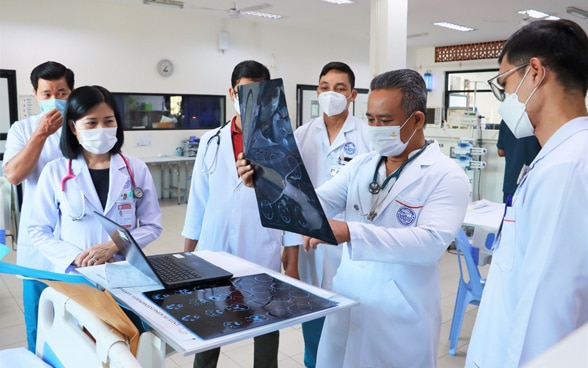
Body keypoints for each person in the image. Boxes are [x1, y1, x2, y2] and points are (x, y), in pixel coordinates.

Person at [239, 69, 470, 367]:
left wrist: (352, 232)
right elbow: (316, 202)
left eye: (385, 121)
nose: (375, 128)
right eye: (371, 119)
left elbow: (430, 243)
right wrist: (265, 182)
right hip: (348, 296)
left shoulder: (446, 175)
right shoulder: (362, 165)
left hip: (399, 313)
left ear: (416, 120)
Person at [466, 19, 588, 368]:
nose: (506, 99)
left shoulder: (566, 169)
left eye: (505, 83)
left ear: (534, 72)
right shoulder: (561, 155)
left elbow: (546, 311)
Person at [182, 60, 299, 368]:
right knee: (210, 323)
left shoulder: (282, 144)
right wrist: (187, 257)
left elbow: (291, 204)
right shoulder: (211, 140)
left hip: (261, 245)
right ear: (231, 92)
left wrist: (292, 258)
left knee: (266, 322)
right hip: (213, 248)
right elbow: (198, 200)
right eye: (242, 92)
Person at [27, 85, 163, 347]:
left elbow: (152, 225)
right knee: (81, 348)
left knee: (123, 345)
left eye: (108, 121)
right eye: (91, 122)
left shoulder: (135, 168)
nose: (101, 128)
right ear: (74, 127)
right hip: (76, 278)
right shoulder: (56, 172)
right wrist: (75, 258)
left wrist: (114, 245)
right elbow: (38, 230)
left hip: (122, 276)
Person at [284, 61, 371, 368]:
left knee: (351, 328)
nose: (330, 93)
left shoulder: (367, 136)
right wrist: (290, 259)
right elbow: (291, 198)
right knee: (314, 320)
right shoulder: (301, 135)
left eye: (339, 88)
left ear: (353, 95)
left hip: (351, 247)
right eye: (324, 87)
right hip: (310, 246)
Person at [2, 61, 74, 351]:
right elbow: (14, 175)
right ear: (35, 94)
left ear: (72, 93)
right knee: (40, 324)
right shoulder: (23, 129)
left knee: (80, 325)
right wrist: (40, 135)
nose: (53, 99)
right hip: (39, 248)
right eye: (46, 93)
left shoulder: (81, 127)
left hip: (77, 244)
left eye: (62, 92)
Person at [496, 119, 541, 202]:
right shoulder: (537, 120)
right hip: (532, 184)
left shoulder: (506, 120)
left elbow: (500, 152)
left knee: (509, 213)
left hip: (511, 184)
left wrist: (513, 150)